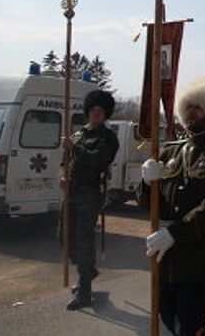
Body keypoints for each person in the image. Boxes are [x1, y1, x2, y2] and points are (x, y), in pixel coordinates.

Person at [139, 78, 205, 335]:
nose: (191, 112)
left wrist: (175, 233)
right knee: (169, 320)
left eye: (198, 107)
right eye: (189, 106)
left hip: (199, 258)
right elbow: (150, 205)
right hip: (166, 258)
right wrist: (145, 182)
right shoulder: (169, 152)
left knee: (188, 327)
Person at [61, 90, 119, 310]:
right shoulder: (78, 134)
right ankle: (89, 269)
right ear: (88, 111)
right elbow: (65, 160)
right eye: (93, 110)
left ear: (105, 114)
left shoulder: (108, 137)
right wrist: (63, 176)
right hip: (72, 192)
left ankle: (84, 289)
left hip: (90, 193)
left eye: (100, 111)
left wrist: (73, 148)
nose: (96, 114)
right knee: (65, 235)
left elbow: (97, 160)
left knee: (84, 239)